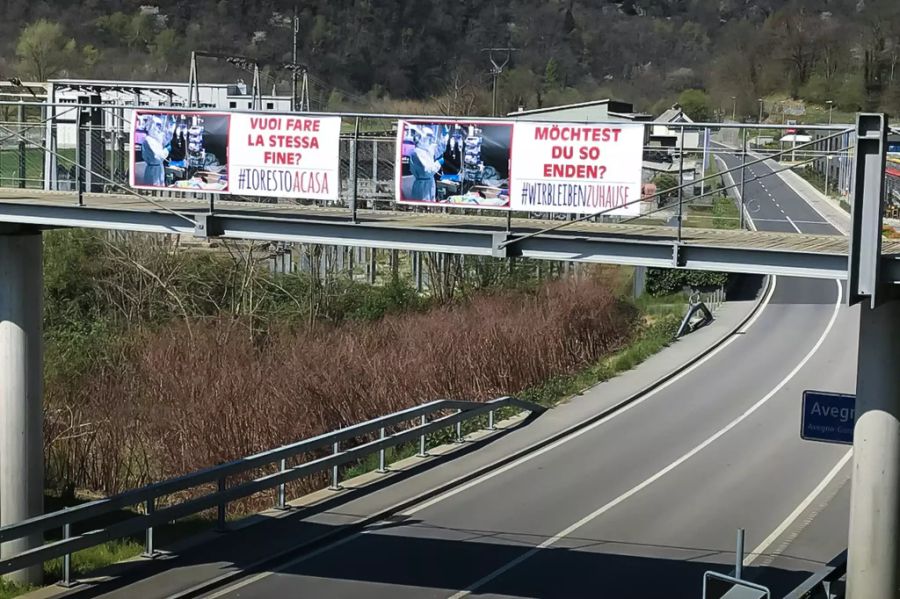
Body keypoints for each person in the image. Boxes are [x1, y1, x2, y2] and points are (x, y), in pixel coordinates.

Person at [408, 127, 443, 201]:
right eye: (429, 137)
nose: (430, 140)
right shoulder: (418, 153)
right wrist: (439, 163)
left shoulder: (424, 151)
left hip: (428, 184)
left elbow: (434, 151)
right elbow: (427, 171)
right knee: (423, 207)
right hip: (423, 187)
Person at [141, 117, 169, 187]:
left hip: (158, 168)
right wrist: (167, 150)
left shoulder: (155, 140)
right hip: (153, 170)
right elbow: (159, 157)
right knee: (154, 187)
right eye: (157, 125)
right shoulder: (149, 140)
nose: (158, 128)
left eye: (160, 126)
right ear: (152, 125)